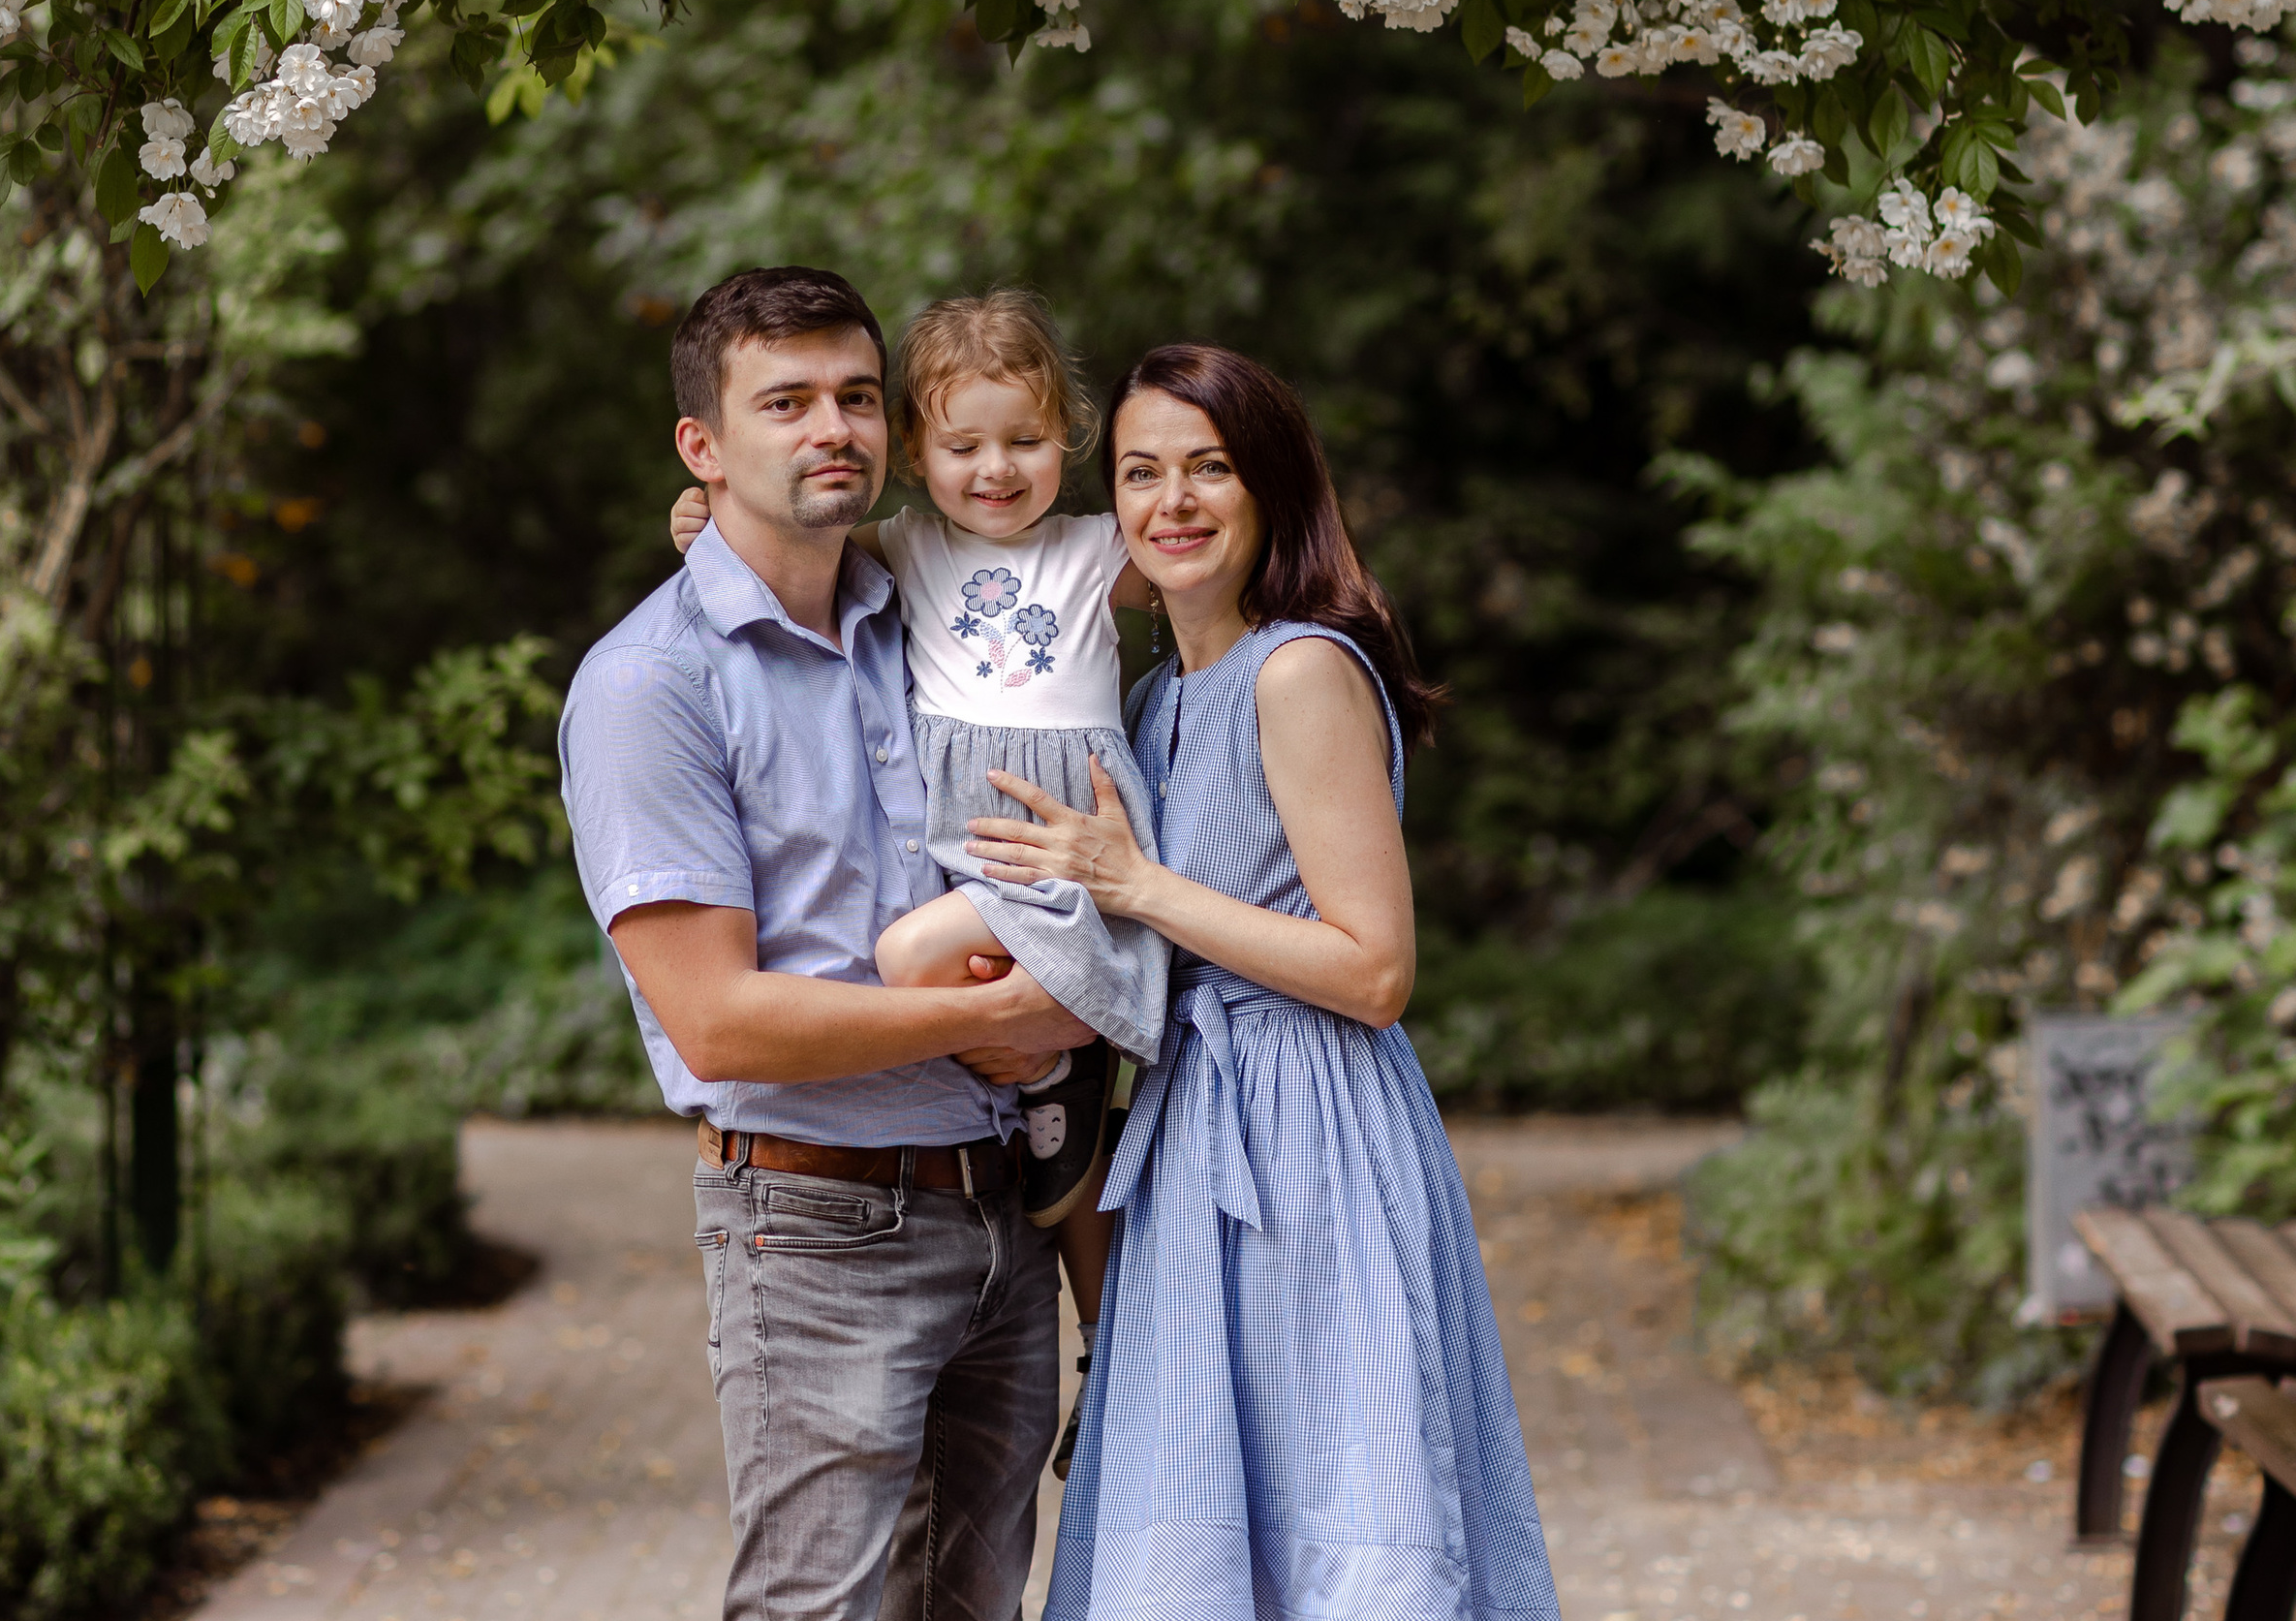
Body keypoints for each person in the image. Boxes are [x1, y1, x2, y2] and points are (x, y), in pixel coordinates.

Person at [978, 342, 1563, 1621]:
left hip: (1319, 1141)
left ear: (1272, 489)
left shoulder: (1299, 672)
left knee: (1336, 1513)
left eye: (1210, 468)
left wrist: (1138, 889)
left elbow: (1377, 968)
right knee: (1199, 1522)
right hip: (1194, 1129)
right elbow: (964, 551)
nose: (1174, 501)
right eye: (1141, 473)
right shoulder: (1147, 700)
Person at [558, 265, 1092, 1621]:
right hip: (817, 1224)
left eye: (856, 397)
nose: (830, 429)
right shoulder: (652, 685)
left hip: (1000, 1210)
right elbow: (720, 1022)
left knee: (972, 1606)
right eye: (783, 402)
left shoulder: (921, 617)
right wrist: (1020, 1012)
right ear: (703, 445)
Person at [675, 288, 1170, 1475]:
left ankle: (1060, 1079)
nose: (996, 469)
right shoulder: (898, 550)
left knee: (910, 964)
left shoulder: (1103, 548)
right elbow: (759, 530)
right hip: (973, 854)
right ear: (915, 449)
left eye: (1026, 441)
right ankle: (1066, 1107)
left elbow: (1217, 552)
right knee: (1066, 1167)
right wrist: (700, 508)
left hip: (1059, 843)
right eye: (962, 444)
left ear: (1072, 440)